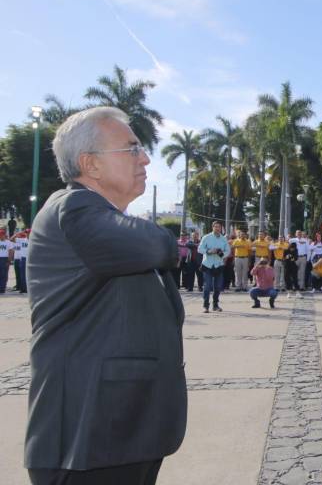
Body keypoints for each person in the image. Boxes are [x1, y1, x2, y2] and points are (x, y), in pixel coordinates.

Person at [25, 106, 186, 485]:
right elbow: (157, 246)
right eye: (131, 149)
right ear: (90, 164)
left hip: (121, 433)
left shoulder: (99, 218)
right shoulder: (75, 207)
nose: (145, 158)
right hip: (88, 438)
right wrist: (165, 236)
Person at [198, 221, 230, 313]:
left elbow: (228, 251)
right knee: (207, 286)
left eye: (219, 227)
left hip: (219, 265)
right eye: (215, 227)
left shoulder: (224, 239)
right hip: (207, 265)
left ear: (221, 228)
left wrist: (221, 254)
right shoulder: (206, 237)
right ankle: (205, 306)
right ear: (212, 227)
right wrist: (209, 251)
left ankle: (215, 305)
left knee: (218, 287)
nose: (217, 228)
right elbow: (199, 249)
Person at [12, 229, 29, 293]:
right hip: (23, 258)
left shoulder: (33, 239)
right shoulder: (21, 240)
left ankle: (27, 288)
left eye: (28, 232)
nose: (27, 234)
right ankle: (23, 288)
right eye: (26, 233)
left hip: (29, 259)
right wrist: (18, 233)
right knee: (22, 275)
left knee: (28, 275)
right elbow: (11, 239)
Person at [0, 228, 10, 293]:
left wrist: (9, 260)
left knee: (4, 274)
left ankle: (2, 288)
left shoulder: (8, 242)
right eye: (0, 235)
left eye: (2, 234)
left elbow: (11, 251)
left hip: (4, 258)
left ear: (4, 235)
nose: (1, 236)